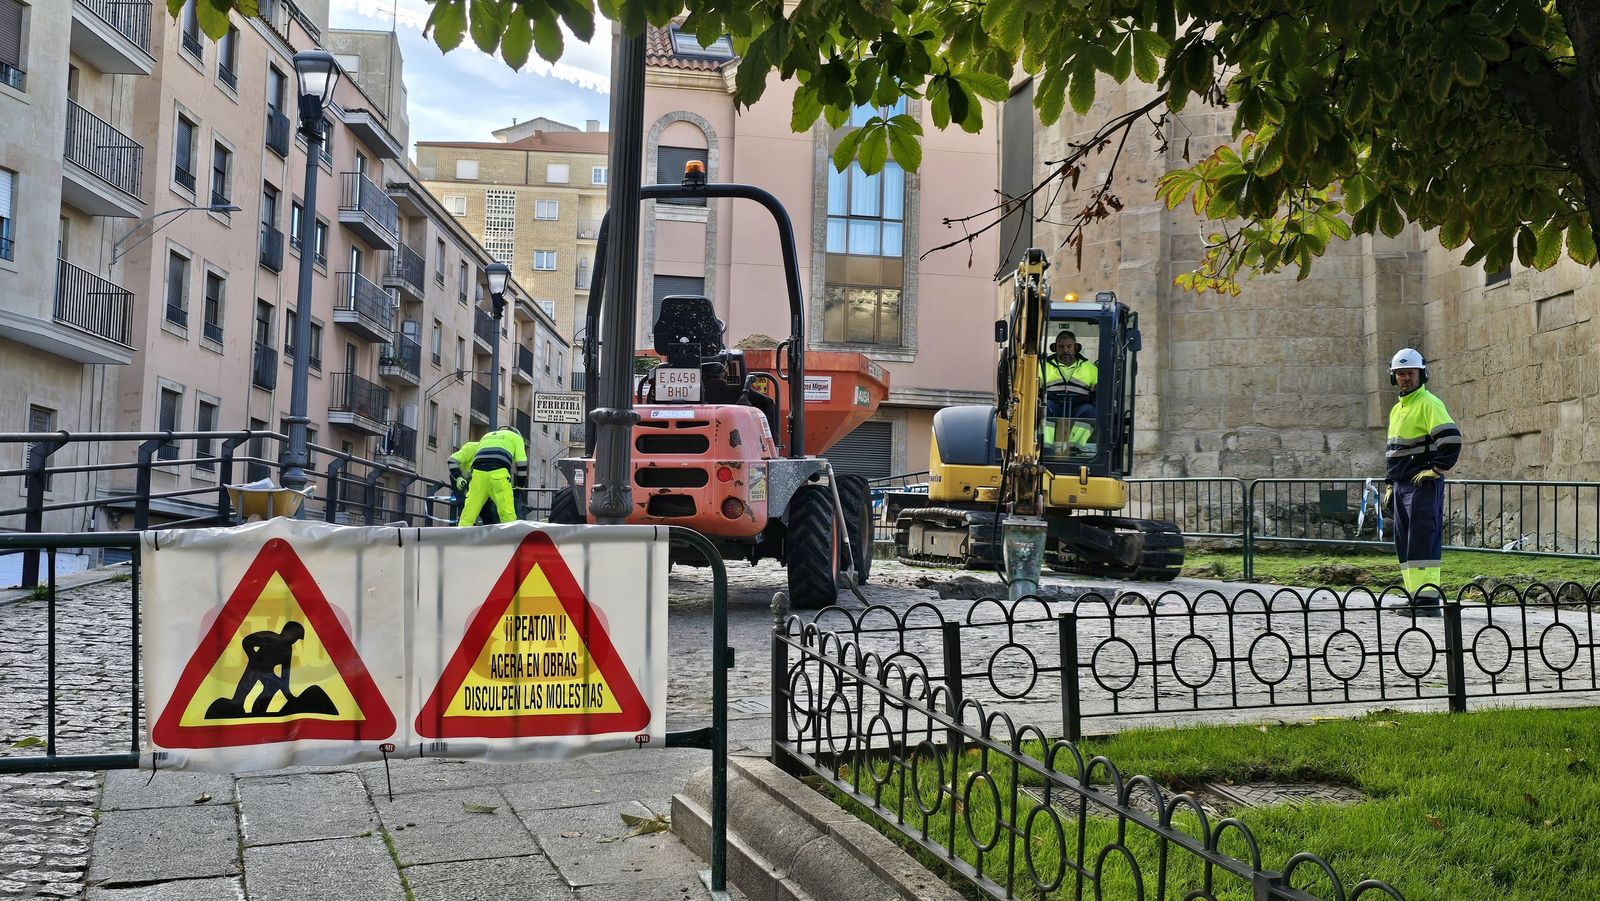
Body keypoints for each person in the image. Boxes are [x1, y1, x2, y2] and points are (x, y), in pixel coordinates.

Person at [1383, 348, 1462, 615]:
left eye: (1410, 373)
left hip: (1421, 485)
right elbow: (1393, 452)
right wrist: (1389, 483)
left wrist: (1437, 468)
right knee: (1405, 542)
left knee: (1422, 541)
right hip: (1402, 485)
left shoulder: (1429, 403)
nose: (1406, 378)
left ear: (1422, 374)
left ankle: (1428, 602)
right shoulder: (1398, 409)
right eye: (1401, 374)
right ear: (1394, 377)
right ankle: (1415, 596)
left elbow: (1451, 439)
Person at [457, 425, 528, 527]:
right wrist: (519, 486)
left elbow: (476, 457)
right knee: (507, 515)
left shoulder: (486, 436)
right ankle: (509, 541)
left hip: (477, 474)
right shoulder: (516, 437)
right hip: (498, 474)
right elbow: (522, 464)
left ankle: (460, 539)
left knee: (468, 514)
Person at [1040, 329, 1098, 448]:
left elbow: (1099, 390)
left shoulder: (1091, 368)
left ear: (1076, 347)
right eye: (1061, 347)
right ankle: (1046, 447)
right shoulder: (1043, 366)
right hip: (1053, 405)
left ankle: (1074, 447)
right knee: (1044, 408)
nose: (1065, 350)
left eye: (1069, 346)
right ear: (1054, 347)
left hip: (1079, 407)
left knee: (1089, 411)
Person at [448, 439, 498, 525]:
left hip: (478, 482)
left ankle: (489, 531)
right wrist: (459, 478)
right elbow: (452, 460)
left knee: (487, 511)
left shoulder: (496, 453)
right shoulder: (472, 447)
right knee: (465, 506)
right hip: (461, 478)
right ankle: (464, 529)